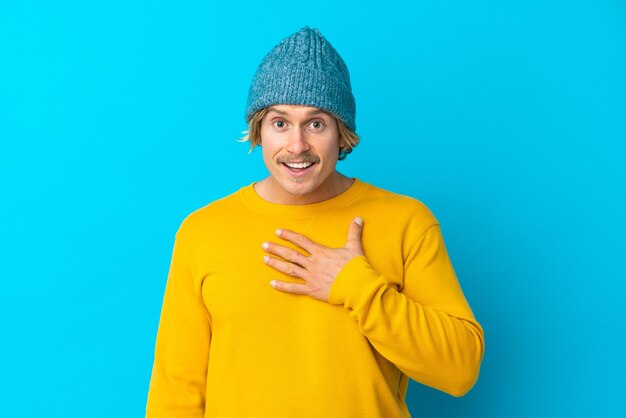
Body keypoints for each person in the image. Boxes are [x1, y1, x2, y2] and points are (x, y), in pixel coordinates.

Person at [145, 26, 484, 418]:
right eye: (280, 123)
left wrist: (356, 285)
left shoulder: (406, 222)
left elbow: (460, 370)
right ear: (258, 131)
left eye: (316, 123)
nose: (297, 146)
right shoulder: (203, 232)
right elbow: (176, 391)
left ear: (342, 134)